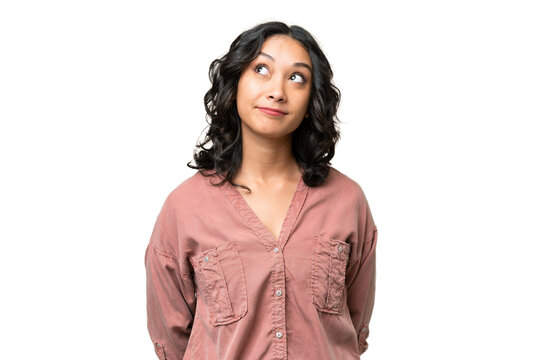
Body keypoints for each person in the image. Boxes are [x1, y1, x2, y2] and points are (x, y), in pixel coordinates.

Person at [144, 21, 378, 360]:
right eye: (261, 69)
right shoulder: (184, 208)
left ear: (313, 98)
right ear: (236, 81)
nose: (277, 91)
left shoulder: (347, 201)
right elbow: (171, 336)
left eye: (296, 77)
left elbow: (354, 325)